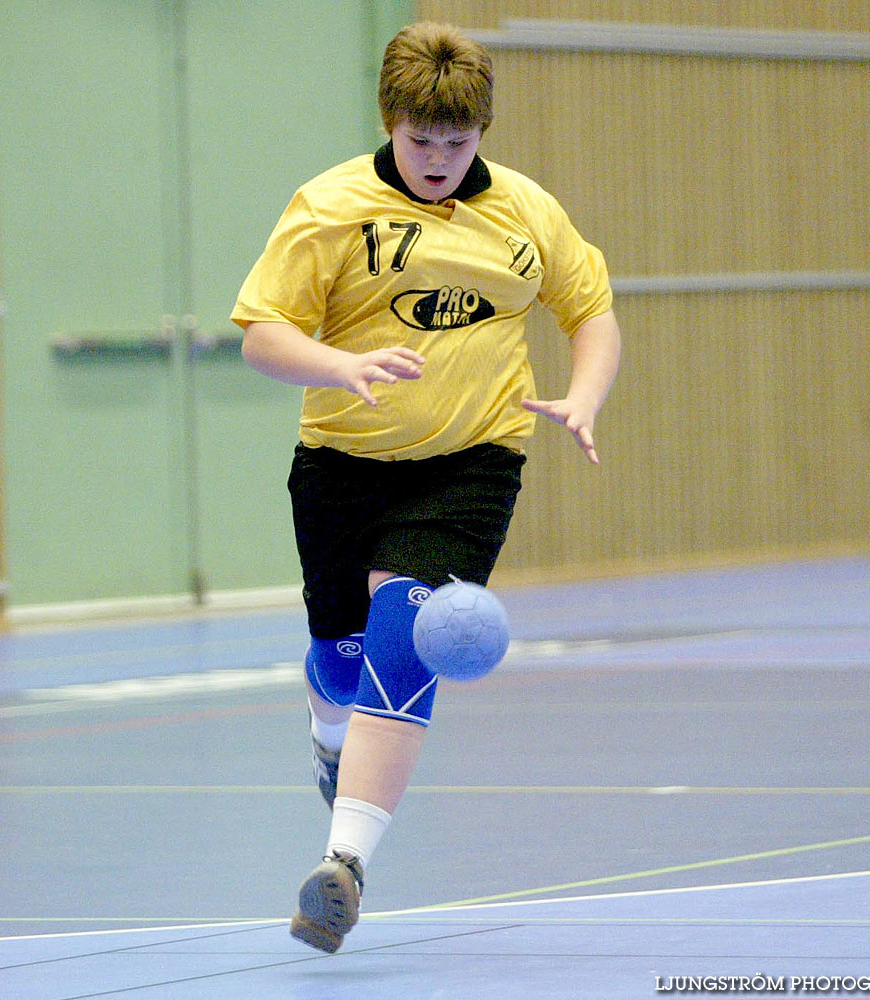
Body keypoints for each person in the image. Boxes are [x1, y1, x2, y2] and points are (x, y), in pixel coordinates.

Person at [232, 22, 621, 952]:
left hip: (473, 460)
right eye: (421, 141)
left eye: (458, 142)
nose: (439, 159)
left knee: (406, 633)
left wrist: (583, 395)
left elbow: (591, 308)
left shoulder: (525, 213)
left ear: (481, 129)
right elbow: (259, 335)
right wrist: (339, 365)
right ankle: (329, 734)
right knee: (339, 652)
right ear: (390, 122)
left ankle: (344, 866)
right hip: (340, 465)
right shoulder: (328, 208)